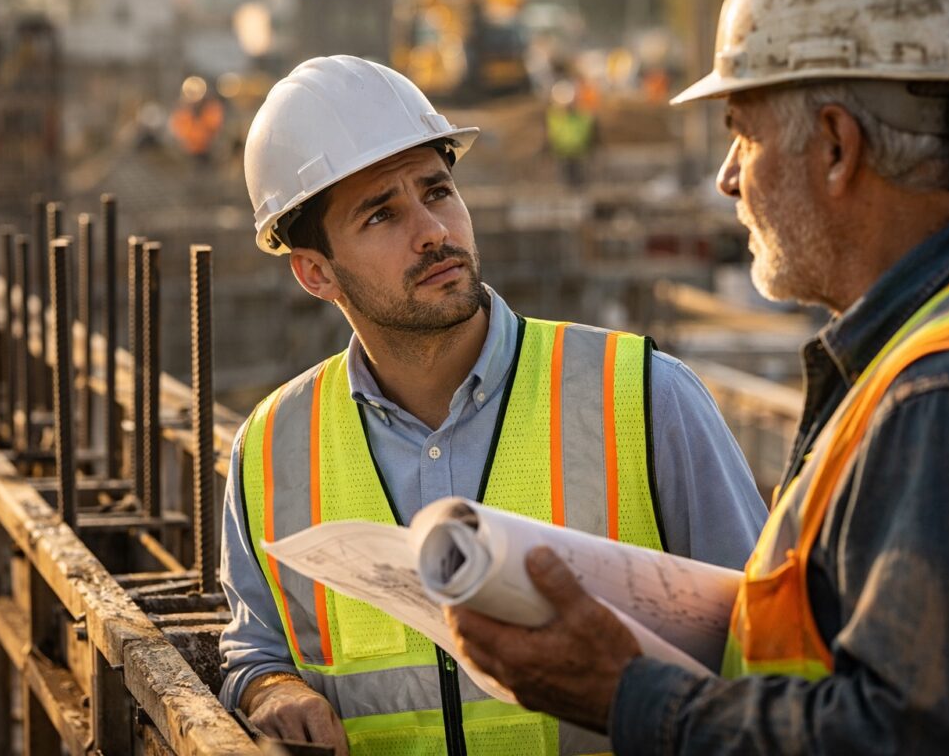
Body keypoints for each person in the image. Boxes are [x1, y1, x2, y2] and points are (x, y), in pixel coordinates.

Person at [448, 0, 949, 754]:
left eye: (742, 133)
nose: (728, 177)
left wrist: (626, 693)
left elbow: (910, 740)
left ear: (836, 145)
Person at [217, 55, 767, 755]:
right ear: (316, 272)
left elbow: (766, 646)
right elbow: (253, 643)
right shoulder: (271, 450)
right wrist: (272, 689)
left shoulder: (645, 396)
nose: (433, 232)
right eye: (382, 214)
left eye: (437, 191)